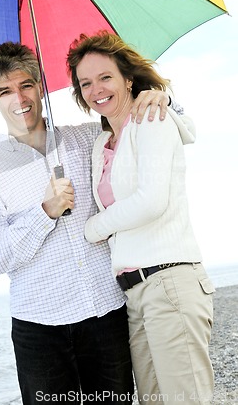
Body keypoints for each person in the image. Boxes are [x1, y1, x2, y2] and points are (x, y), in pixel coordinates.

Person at [0, 41, 190, 405]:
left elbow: (137, 120)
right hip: (39, 328)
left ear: (41, 87)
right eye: (4, 91)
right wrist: (44, 213)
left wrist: (160, 97)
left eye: (26, 85)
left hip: (105, 315)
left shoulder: (87, 138)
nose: (18, 98)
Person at [67, 31, 215, 405]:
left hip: (169, 282)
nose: (96, 89)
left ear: (128, 79)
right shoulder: (102, 144)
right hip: (133, 293)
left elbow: (151, 201)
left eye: (105, 77)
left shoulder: (151, 118)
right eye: (85, 83)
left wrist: (94, 229)